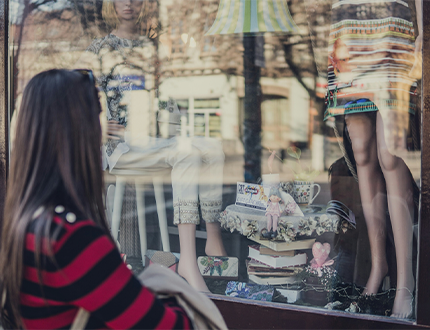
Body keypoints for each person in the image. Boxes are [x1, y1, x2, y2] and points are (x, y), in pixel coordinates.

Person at [0, 69, 194, 329]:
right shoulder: (72, 239)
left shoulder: (23, 224)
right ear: (81, 133)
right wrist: (168, 285)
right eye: (98, 118)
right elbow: (173, 327)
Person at [79, 0, 227, 292]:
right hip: (121, 148)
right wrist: (95, 124)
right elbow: (75, 94)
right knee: (186, 154)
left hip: (154, 137)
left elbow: (166, 96)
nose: (129, 4)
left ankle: (213, 235)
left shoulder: (151, 49)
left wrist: (169, 111)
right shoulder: (98, 49)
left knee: (213, 146)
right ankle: (188, 258)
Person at [324, 0, 421, 319]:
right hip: (348, 24)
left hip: (392, 20)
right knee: (362, 151)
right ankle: (378, 269)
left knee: (389, 153)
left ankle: (405, 282)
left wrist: (421, 27)